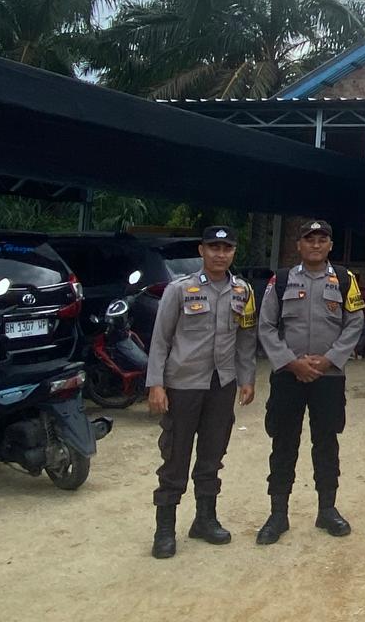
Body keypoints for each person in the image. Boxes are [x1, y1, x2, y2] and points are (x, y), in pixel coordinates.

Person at [146, 225, 257, 559]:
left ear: (233, 252)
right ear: (202, 251)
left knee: (212, 454)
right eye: (214, 248)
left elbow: (245, 338)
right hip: (184, 384)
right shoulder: (180, 290)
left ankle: (205, 520)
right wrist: (156, 384)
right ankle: (165, 529)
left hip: (222, 384)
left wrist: (247, 378)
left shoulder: (243, 291)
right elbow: (161, 339)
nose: (220, 254)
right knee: (175, 456)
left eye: (227, 248)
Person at [255, 220, 365, 545]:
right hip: (288, 376)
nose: (315, 245)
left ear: (330, 245)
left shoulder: (345, 280)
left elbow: (354, 323)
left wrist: (331, 359)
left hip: (328, 377)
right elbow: (266, 325)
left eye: (321, 240)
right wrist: (291, 362)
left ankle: (327, 510)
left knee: (327, 442)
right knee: (283, 443)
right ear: (299, 245)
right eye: (309, 239)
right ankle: (278, 514)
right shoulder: (281, 280)